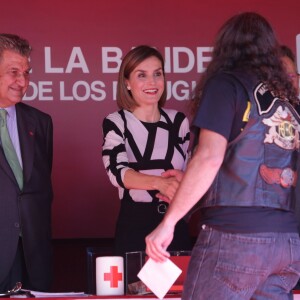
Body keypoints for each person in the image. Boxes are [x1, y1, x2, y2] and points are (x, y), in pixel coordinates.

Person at [145, 12, 300, 299]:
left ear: (225, 47)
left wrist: (167, 224)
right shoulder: (289, 102)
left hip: (235, 238)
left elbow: (209, 157)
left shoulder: (226, 85)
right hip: (286, 244)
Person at [102, 45, 192, 258]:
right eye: (142, 75)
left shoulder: (179, 121)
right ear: (127, 83)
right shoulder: (117, 122)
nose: (152, 82)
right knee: (135, 291)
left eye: (157, 74)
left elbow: (191, 174)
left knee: (179, 291)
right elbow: (117, 173)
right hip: (135, 224)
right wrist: (160, 183)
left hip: (174, 224)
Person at [0, 34, 53, 292]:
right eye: (13, 72)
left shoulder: (40, 123)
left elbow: (40, 190)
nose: (23, 81)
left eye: (26, 72)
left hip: (34, 256)